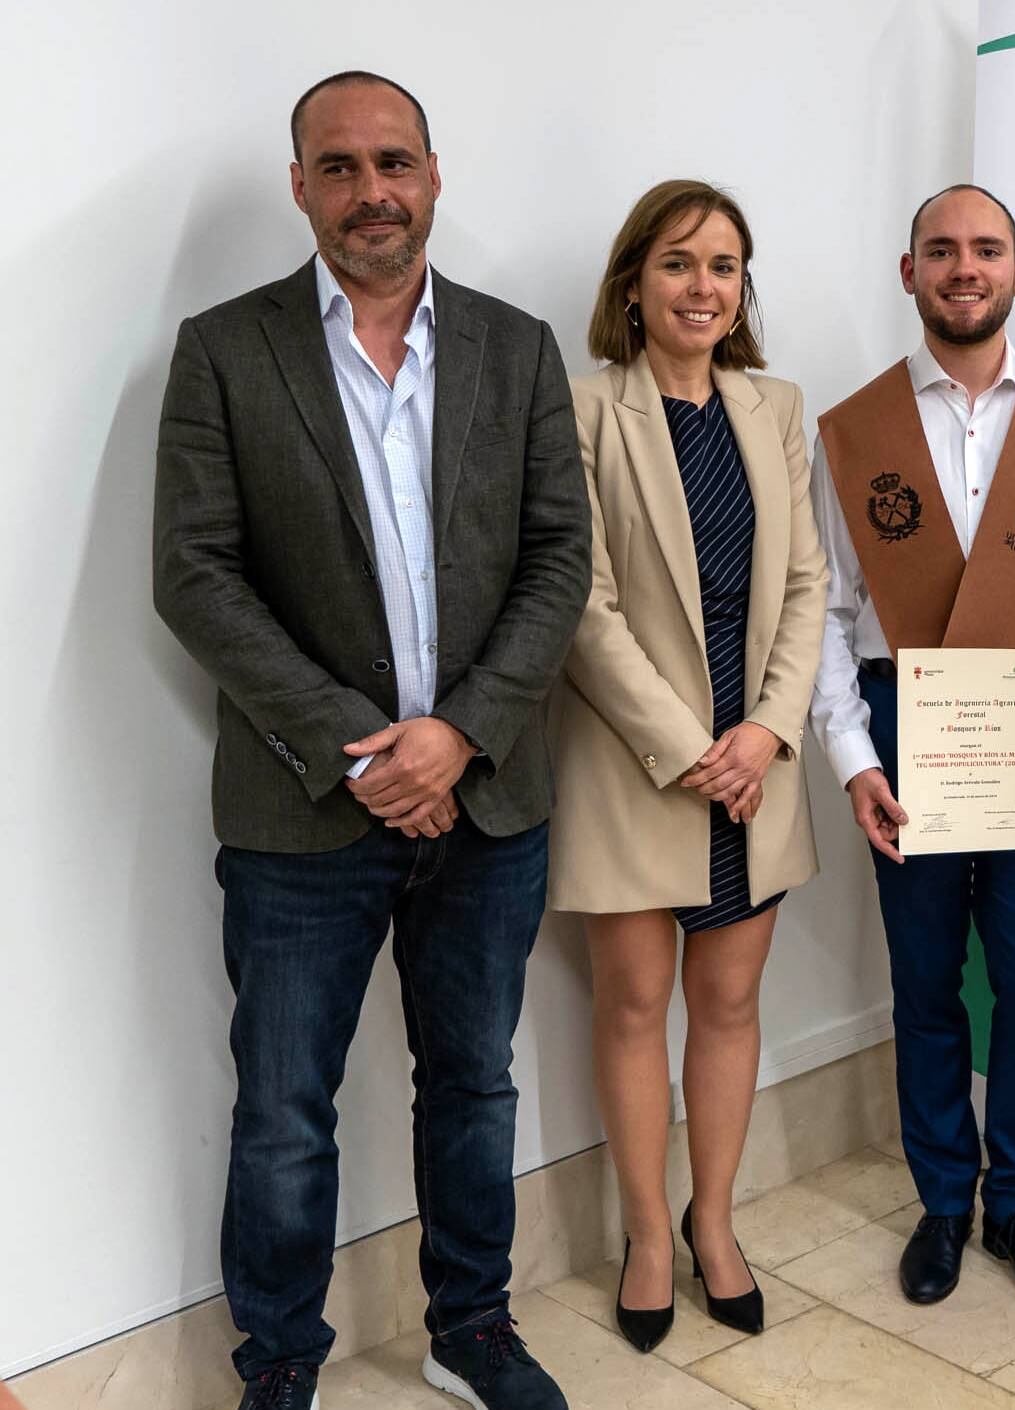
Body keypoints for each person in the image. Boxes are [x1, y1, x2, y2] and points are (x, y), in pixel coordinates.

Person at [152, 71, 590, 1410]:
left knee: (474, 1082)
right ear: (301, 188)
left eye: (392, 161)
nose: (370, 190)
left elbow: (560, 559)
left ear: (435, 175)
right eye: (337, 167)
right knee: (283, 1111)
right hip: (300, 815)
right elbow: (194, 574)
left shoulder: (517, 349)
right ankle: (282, 1357)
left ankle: (472, 1326)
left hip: (489, 801)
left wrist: (457, 734)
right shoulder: (227, 349)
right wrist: (365, 745)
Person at [807, 185, 1015, 1312]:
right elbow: (829, 612)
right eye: (941, 250)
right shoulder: (857, 431)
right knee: (925, 980)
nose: (964, 267)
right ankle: (944, 1200)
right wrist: (853, 758)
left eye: (986, 250)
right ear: (909, 272)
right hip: (904, 725)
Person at [548, 180, 826, 1351]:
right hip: (634, 763)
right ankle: (648, 1237)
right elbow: (579, 605)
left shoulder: (774, 407)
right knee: (632, 1008)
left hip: (754, 766)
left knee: (726, 1006)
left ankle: (715, 1226)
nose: (702, 287)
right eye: (677, 264)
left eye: (722, 266)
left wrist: (763, 733)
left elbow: (807, 584)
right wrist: (687, 749)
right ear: (632, 284)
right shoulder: (579, 409)